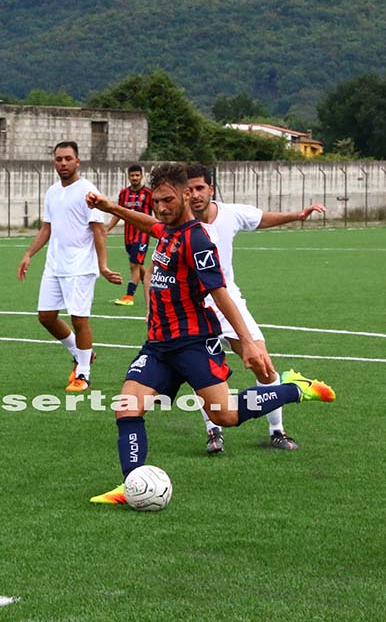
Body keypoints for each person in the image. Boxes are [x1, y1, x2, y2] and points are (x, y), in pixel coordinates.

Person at [84, 162, 334, 504]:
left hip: (192, 343)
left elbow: (220, 293)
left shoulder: (197, 239)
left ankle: (295, 388)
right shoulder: (168, 228)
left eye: (168, 200)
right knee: (127, 409)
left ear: (187, 195)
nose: (161, 207)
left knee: (225, 415)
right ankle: (132, 485)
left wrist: (247, 342)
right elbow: (150, 224)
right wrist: (112, 208)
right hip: (158, 344)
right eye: (156, 201)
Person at [187, 164, 326, 453]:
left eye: (200, 188)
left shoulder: (230, 214)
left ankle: (277, 430)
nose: (195, 195)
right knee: (205, 375)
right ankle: (213, 431)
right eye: (189, 189)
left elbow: (262, 218)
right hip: (195, 310)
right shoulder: (180, 225)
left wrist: (297, 215)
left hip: (230, 304)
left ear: (211, 189)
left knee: (264, 366)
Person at [18, 141, 121, 392]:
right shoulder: (53, 191)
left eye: (67, 158)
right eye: (58, 159)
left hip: (80, 266)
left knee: (79, 319)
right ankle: (81, 352)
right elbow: (47, 228)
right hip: (54, 265)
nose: (63, 163)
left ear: (77, 161)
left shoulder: (88, 191)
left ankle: (83, 374)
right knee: (46, 317)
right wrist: (29, 254)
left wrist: (103, 266)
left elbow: (99, 231)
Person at [107, 164, 153, 307]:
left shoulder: (148, 193)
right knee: (137, 265)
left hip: (143, 234)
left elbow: (157, 212)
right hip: (128, 236)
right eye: (132, 175)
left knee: (134, 264)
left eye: (137, 175)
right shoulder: (123, 194)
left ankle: (129, 296)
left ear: (142, 176)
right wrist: (107, 228)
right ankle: (154, 289)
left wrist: (163, 229)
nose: (134, 178)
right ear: (128, 177)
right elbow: (118, 213)